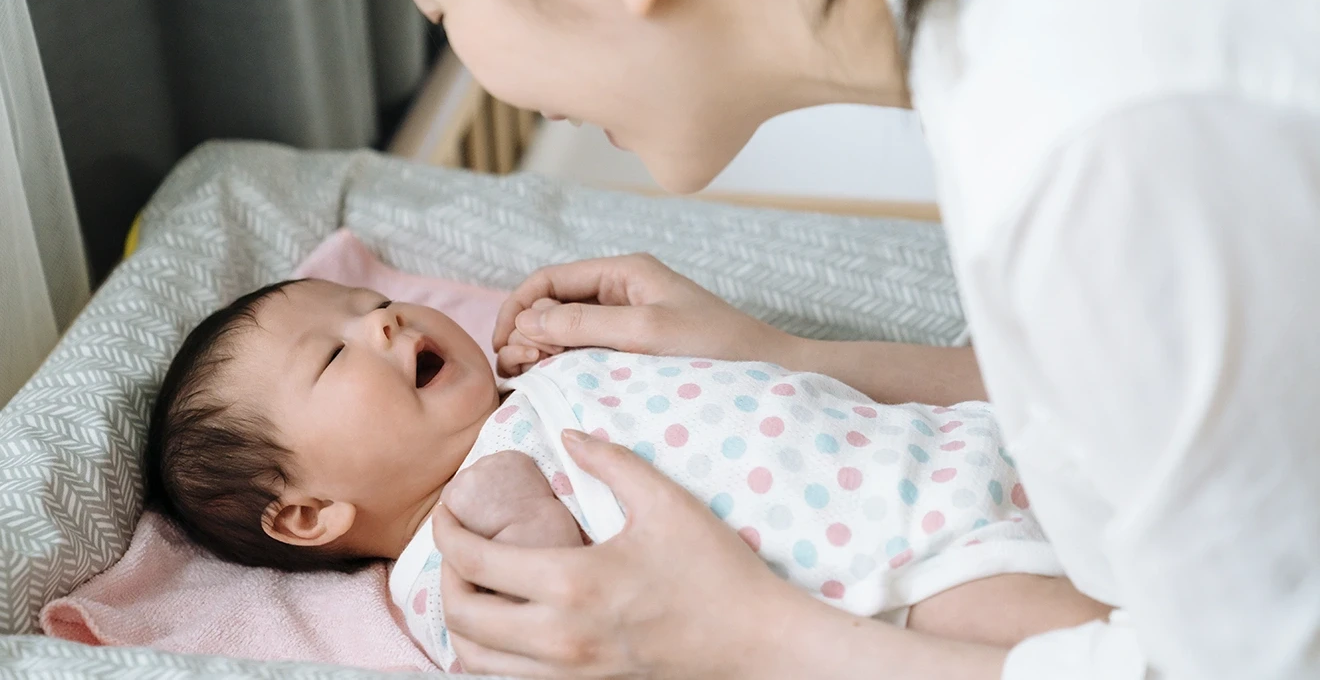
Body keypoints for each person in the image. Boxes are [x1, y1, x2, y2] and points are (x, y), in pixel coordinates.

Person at [391, 0, 1320, 677]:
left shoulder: (1088, 147)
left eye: (439, 7)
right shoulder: (1016, 49)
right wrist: (782, 357)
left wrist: (754, 640)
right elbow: (1153, 385)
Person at [143, 277, 1108, 672]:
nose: (385, 322)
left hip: (950, 443)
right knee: (1122, 642)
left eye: (375, 301)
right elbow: (554, 637)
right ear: (309, 515)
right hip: (908, 578)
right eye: (333, 357)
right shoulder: (448, 562)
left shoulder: (542, 386)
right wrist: (513, 510)